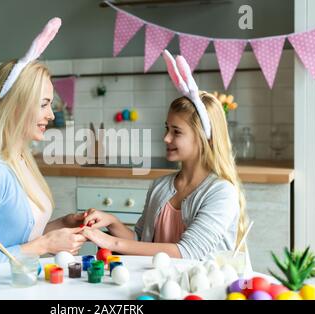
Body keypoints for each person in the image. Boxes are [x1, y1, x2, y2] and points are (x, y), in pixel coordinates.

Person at [0, 18, 86, 271]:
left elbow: (16, 238)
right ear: (15, 107)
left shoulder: (21, 159)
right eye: (44, 104)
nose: (51, 115)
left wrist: (61, 225)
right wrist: (45, 245)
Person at [81, 52, 248, 261]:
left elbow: (188, 252)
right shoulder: (160, 186)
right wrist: (113, 222)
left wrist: (111, 243)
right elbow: (142, 242)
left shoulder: (221, 192)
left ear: (204, 138)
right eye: (167, 129)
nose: (166, 138)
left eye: (176, 132)